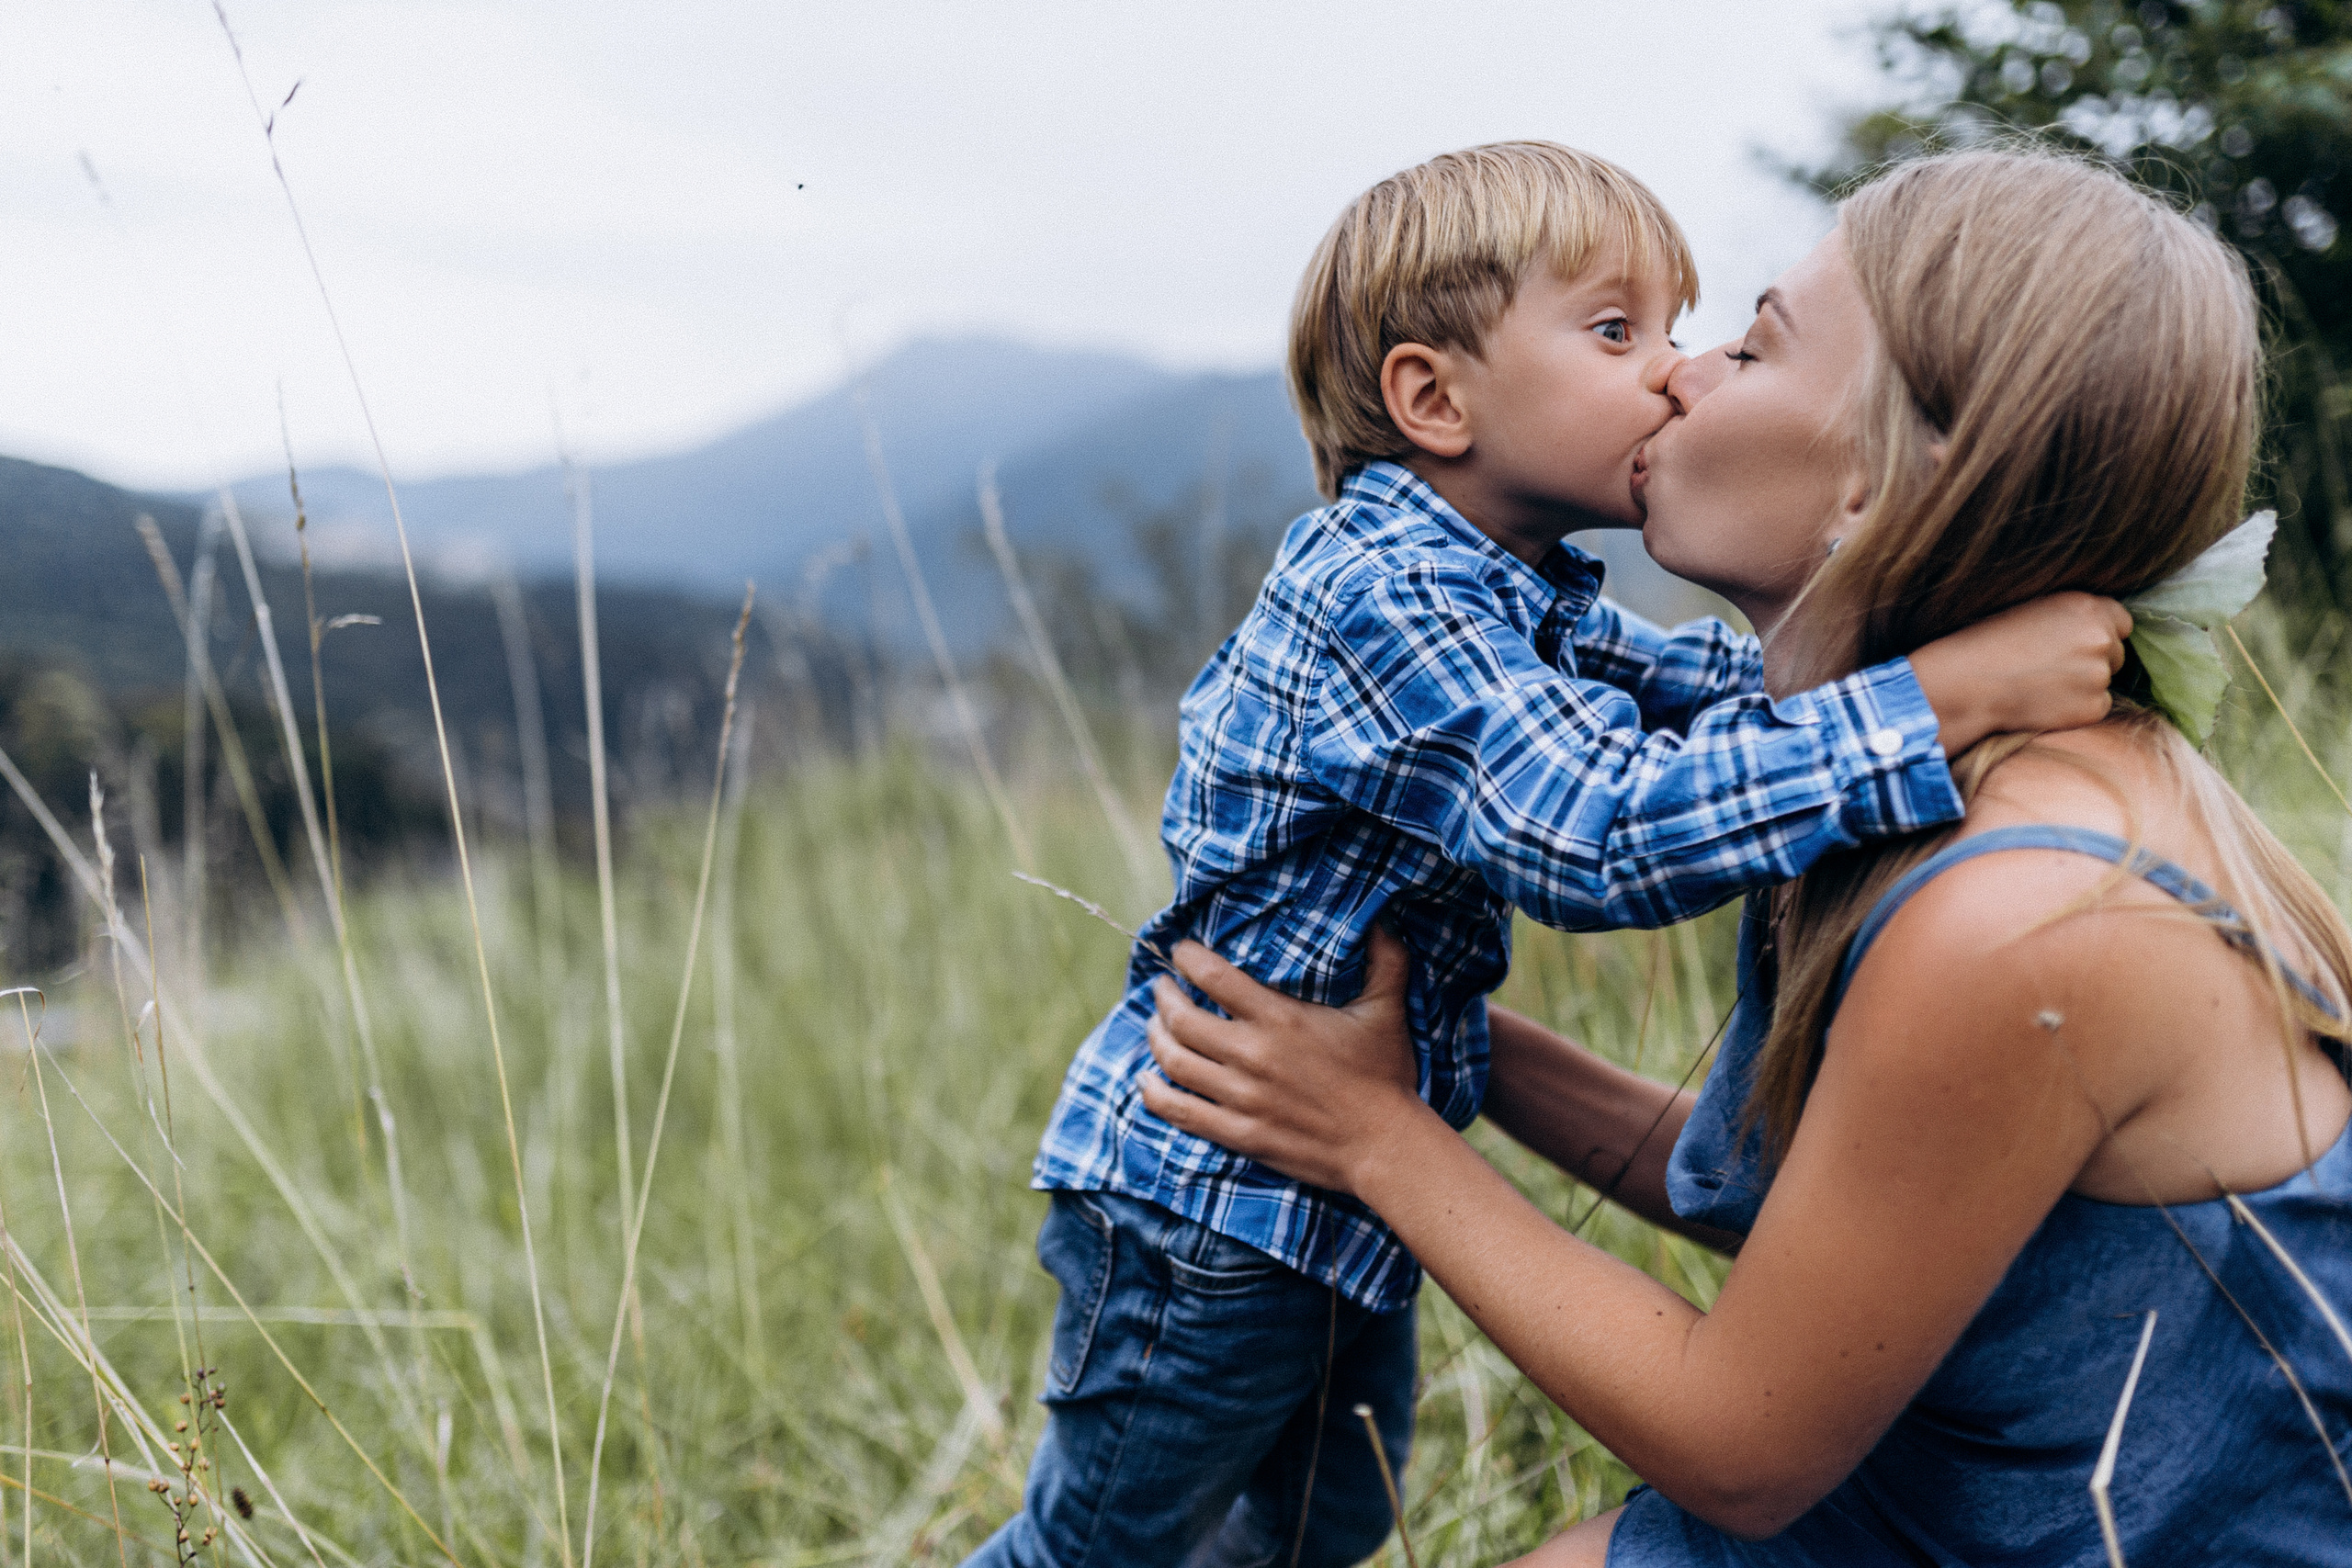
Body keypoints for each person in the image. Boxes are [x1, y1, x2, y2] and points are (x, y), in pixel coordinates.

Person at [1140, 146, 2352, 1566]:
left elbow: (1743, 1444)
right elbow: (1831, 1229)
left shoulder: (2024, 912)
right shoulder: (1897, 778)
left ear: (1884, 481)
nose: (1683, 377)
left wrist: (1375, 1136)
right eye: (1644, 336)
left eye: (1752, 344)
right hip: (1946, 1505)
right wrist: (1435, 1043)